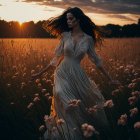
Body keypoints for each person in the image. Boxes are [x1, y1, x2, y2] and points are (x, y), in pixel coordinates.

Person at [31, 7, 121, 140]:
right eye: (67, 18)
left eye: (71, 18)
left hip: (77, 75)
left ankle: (77, 133)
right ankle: (67, 134)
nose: (68, 21)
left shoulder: (88, 39)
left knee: (77, 106)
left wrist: (110, 78)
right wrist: (39, 74)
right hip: (62, 72)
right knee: (62, 95)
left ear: (78, 19)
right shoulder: (65, 36)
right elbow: (56, 59)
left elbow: (96, 61)